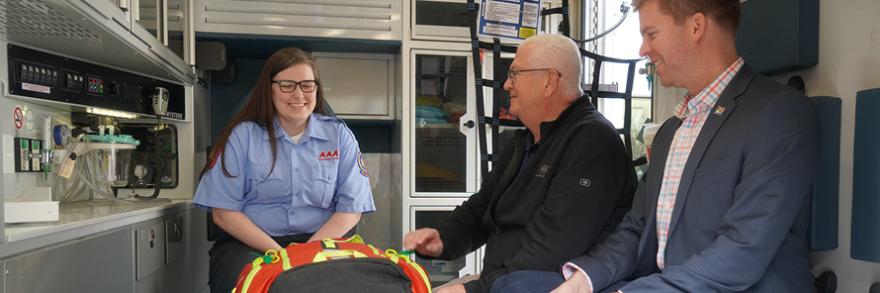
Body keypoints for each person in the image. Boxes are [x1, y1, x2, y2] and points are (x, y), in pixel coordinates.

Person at [490, 0, 820, 292]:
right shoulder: (670, 132)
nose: (642, 50)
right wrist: (584, 280)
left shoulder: (779, 115)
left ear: (696, 27)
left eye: (652, 34)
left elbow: (741, 252)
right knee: (514, 285)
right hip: (660, 283)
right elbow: (635, 231)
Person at [403, 34, 637, 293]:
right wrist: (443, 239)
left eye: (515, 74)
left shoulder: (592, 142)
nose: (505, 85)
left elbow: (551, 253)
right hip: (499, 281)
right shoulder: (524, 141)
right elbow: (481, 208)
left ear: (550, 81)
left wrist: (473, 290)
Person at [193, 47, 375, 293]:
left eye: (307, 85)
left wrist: (304, 255)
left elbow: (351, 211)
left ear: (316, 89)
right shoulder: (242, 137)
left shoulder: (340, 136)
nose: (299, 94)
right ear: (270, 89)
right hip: (253, 244)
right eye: (287, 85)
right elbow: (224, 214)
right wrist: (282, 258)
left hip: (322, 241)